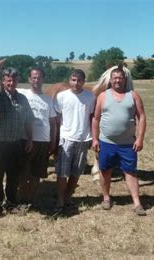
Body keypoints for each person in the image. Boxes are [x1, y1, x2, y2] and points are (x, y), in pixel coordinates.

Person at [91, 65, 147, 216]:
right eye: (114, 78)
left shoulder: (133, 95)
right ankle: (106, 198)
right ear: (111, 79)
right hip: (106, 142)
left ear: (125, 79)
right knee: (105, 171)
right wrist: (95, 139)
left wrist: (140, 138)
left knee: (131, 172)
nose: (117, 80)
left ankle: (136, 203)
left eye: (120, 78)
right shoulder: (103, 96)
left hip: (128, 144)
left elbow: (141, 117)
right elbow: (95, 119)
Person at [0, 67, 34, 220]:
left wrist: (29, 139)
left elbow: (29, 120)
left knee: (13, 177)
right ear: (3, 81)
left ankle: (12, 204)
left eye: (14, 80)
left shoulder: (22, 99)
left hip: (16, 143)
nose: (11, 82)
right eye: (8, 80)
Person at [53, 69, 95, 213]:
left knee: (76, 172)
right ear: (69, 80)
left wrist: (93, 138)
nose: (76, 83)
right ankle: (59, 199)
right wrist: (56, 139)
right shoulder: (61, 96)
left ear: (84, 81)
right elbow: (57, 119)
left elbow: (91, 118)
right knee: (62, 173)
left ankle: (68, 197)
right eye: (73, 80)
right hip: (66, 139)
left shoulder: (90, 97)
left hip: (83, 140)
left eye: (79, 80)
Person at [17, 67, 56, 209]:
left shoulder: (48, 100)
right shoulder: (22, 94)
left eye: (39, 77)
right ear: (29, 79)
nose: (36, 80)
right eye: (33, 77)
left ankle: (30, 199)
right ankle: (20, 198)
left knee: (36, 173)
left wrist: (52, 141)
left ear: (43, 79)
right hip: (25, 139)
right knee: (23, 173)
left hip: (43, 141)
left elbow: (53, 122)